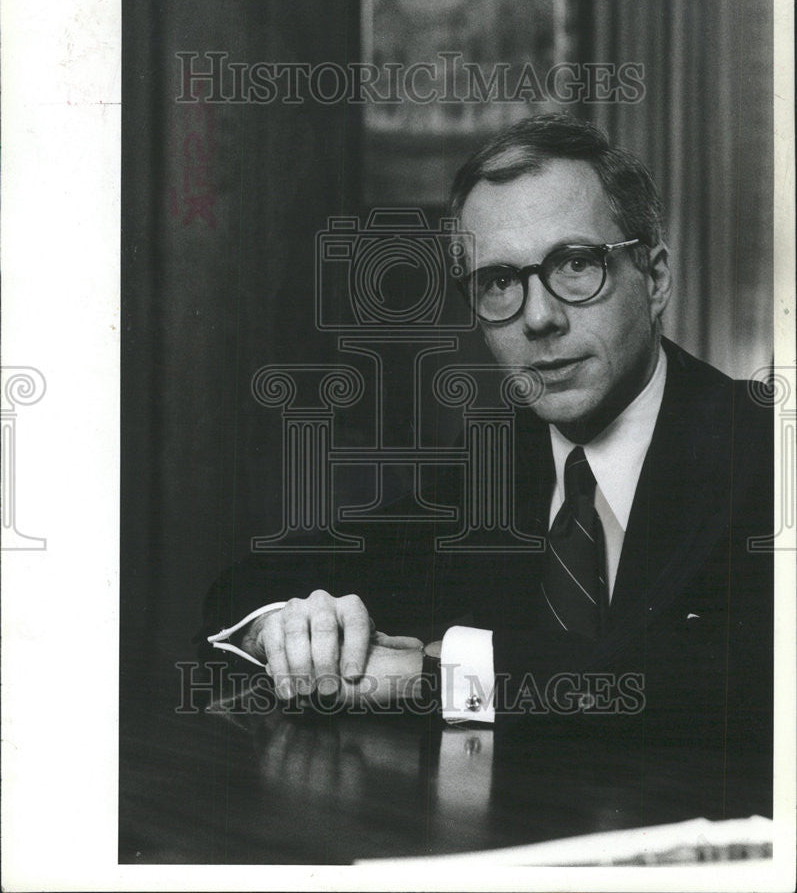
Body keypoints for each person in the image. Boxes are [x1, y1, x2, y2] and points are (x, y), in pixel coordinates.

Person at [201, 114, 773, 757]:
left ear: (656, 278)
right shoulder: (492, 463)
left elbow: (725, 683)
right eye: (500, 282)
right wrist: (285, 630)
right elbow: (251, 581)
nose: (539, 317)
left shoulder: (765, 452)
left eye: (576, 264)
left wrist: (432, 678)